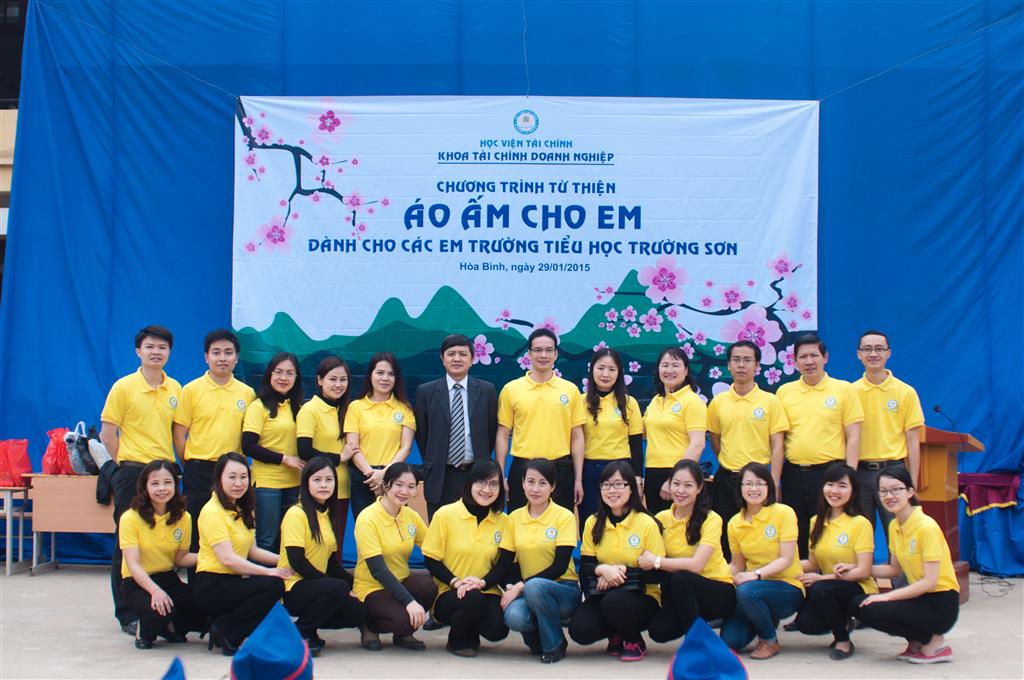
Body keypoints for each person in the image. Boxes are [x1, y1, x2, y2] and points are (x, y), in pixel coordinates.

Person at [100, 324, 181, 634]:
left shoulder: (175, 389)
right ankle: (126, 612)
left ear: (169, 352)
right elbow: (108, 434)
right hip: (133, 472)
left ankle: (163, 605)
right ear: (138, 351)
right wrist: (126, 464)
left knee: (163, 539)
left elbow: (177, 433)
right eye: (150, 346)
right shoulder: (123, 387)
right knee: (127, 542)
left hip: (166, 473)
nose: (156, 352)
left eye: (162, 347)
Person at [855, 467, 960, 664]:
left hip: (941, 603)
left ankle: (934, 642)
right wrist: (858, 569)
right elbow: (893, 570)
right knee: (858, 603)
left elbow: (929, 582)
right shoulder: (895, 525)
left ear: (910, 492)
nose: (889, 496)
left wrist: (886, 596)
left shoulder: (926, 527)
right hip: (919, 599)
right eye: (883, 491)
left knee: (874, 608)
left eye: (896, 489)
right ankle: (918, 641)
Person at [173, 329, 256, 577]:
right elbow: (179, 434)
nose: (222, 358)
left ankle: (231, 583)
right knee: (197, 531)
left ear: (236, 358)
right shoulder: (191, 390)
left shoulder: (246, 393)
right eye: (216, 352)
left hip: (233, 474)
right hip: (199, 470)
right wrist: (189, 466)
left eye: (228, 353)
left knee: (233, 527)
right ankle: (199, 588)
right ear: (206, 357)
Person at [193, 453, 292, 656]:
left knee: (278, 583)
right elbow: (227, 559)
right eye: (232, 477)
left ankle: (227, 628)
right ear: (219, 478)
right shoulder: (212, 512)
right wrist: (268, 572)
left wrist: (286, 561)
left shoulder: (243, 507)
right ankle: (226, 629)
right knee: (272, 585)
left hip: (233, 581)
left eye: (243, 477)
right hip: (212, 584)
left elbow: (253, 551)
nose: (238, 483)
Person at [777, 335, 864, 558]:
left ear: (825, 358)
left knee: (827, 530)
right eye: (803, 357)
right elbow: (779, 439)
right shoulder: (784, 392)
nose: (809, 361)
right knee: (795, 530)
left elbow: (854, 436)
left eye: (814, 355)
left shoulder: (844, 389)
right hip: (793, 474)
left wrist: (849, 476)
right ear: (794, 361)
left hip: (829, 474)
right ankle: (798, 576)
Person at [568, 461, 665, 662]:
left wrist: (620, 573)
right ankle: (616, 633)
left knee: (614, 602)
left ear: (631, 489)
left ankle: (634, 641)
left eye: (619, 484)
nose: (612, 490)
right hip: (603, 594)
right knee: (580, 630)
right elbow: (586, 567)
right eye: (606, 485)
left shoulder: (646, 523)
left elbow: (657, 574)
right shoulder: (593, 522)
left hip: (642, 597)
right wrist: (603, 570)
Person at [707, 340, 789, 559]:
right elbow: (715, 439)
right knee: (726, 537)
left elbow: (778, 444)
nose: (741, 365)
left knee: (761, 536)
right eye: (736, 360)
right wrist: (728, 460)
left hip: (759, 482)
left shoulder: (770, 401)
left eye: (747, 360)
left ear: (757, 366)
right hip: (726, 480)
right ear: (729, 365)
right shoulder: (718, 402)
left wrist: (773, 481)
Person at [422, 459, 511, 657]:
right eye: (481, 482)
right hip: (449, 591)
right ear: (470, 482)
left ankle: (469, 629)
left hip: (486, 589)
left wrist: (482, 582)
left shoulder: (504, 521)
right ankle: (457, 641)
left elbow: (504, 564)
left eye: (493, 484)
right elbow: (431, 559)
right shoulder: (445, 514)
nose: (486, 489)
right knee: (472, 599)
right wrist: (456, 582)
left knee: (497, 629)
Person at [641, 460, 736, 643]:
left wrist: (657, 561)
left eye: (688, 485)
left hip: (718, 590)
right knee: (658, 631)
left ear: (699, 488)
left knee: (681, 578)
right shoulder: (660, 519)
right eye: (676, 484)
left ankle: (696, 644)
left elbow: (696, 565)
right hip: (683, 594)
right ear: (669, 484)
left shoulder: (711, 519)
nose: (681, 490)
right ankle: (697, 625)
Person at [279, 456, 366, 656]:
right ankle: (300, 631)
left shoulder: (327, 514)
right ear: (306, 483)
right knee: (338, 588)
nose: (324, 485)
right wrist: (333, 584)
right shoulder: (296, 514)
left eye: (329, 480)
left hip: (317, 586)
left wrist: (356, 586)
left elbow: (332, 564)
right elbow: (297, 560)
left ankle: (310, 628)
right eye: (317, 480)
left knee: (358, 610)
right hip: (293, 587)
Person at [499, 459, 581, 663]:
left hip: (564, 589)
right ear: (522, 483)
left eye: (543, 483)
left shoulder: (564, 516)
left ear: (552, 487)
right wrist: (510, 587)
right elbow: (506, 563)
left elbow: (560, 566)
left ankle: (554, 644)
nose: (535, 489)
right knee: (514, 616)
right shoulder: (513, 518)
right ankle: (537, 640)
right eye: (531, 481)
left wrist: (521, 586)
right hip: (529, 590)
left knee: (535, 586)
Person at [720, 462, 805, 659]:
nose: (754, 489)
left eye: (760, 483)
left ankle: (769, 640)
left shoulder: (783, 513)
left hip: (787, 586)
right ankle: (765, 618)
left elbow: (786, 559)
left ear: (769, 487)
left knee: (746, 591)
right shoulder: (735, 523)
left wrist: (756, 575)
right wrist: (712, 574)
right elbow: (737, 565)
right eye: (748, 483)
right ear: (740, 488)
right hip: (753, 589)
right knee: (729, 641)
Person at [792, 463, 876, 660]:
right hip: (828, 587)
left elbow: (864, 571)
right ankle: (843, 621)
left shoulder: (860, 523)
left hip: (858, 587)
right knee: (806, 624)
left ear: (853, 491)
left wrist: (821, 578)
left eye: (842, 486)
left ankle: (843, 641)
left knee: (819, 588)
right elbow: (813, 564)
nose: (834, 491)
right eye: (830, 484)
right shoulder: (816, 521)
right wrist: (785, 564)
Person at [496, 328, 585, 512]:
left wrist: (578, 479)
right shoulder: (511, 389)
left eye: (548, 350)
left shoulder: (570, 390)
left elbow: (577, 436)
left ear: (556, 354)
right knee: (519, 524)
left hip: (561, 470)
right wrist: (499, 474)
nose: (543, 355)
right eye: (537, 350)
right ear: (529, 354)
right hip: (523, 470)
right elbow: (503, 434)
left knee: (560, 524)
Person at [352, 463, 436, 652]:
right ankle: (368, 625)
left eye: (411, 486)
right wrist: (410, 602)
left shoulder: (411, 516)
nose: (404, 491)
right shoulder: (367, 518)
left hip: (400, 581)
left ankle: (403, 635)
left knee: (429, 586)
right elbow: (378, 570)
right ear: (386, 484)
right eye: (399, 484)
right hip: (372, 587)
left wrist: (461, 578)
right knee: (405, 620)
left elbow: (433, 549)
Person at [119, 460, 203, 649]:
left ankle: (170, 627)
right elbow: (133, 565)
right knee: (161, 610)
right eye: (155, 483)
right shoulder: (130, 518)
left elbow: (180, 559)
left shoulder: (184, 517)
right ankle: (144, 631)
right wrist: (155, 591)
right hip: (137, 582)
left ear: (176, 484)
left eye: (167, 482)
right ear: (145, 487)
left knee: (203, 605)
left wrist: (211, 556)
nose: (162, 488)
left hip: (167, 578)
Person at [413, 334, 499, 520]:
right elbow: (423, 435)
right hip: (440, 476)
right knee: (441, 530)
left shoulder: (487, 391)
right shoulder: (426, 392)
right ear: (442, 359)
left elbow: (491, 431)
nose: (457, 358)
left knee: (477, 529)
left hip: (476, 475)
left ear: (472, 359)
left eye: (463, 354)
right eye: (451, 354)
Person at [853, 330, 925, 536]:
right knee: (860, 535)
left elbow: (913, 442)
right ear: (859, 354)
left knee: (900, 533)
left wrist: (911, 482)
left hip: (893, 472)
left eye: (879, 349)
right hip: (860, 473)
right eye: (867, 349)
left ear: (888, 353)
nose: (873, 354)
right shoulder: (850, 392)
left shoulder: (905, 392)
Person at [297, 356, 358, 562]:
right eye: (332, 379)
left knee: (336, 545)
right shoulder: (309, 410)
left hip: (341, 488)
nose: (338, 384)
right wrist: (339, 457)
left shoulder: (348, 410)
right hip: (316, 488)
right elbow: (304, 450)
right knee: (316, 543)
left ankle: (335, 579)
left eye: (343, 379)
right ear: (320, 380)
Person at [242, 352, 304, 551]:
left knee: (289, 540)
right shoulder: (258, 407)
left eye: (290, 373)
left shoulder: (300, 408)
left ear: (296, 378)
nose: (283, 378)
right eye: (279, 372)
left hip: (295, 483)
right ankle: (264, 573)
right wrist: (284, 459)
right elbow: (248, 446)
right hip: (267, 485)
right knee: (267, 540)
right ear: (269, 374)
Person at [344, 352, 416, 519]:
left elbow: (406, 447)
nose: (385, 378)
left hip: (394, 480)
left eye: (391, 374)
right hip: (363, 478)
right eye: (380, 373)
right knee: (365, 527)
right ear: (370, 375)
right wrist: (371, 475)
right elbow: (353, 447)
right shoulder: (356, 407)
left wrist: (384, 474)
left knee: (393, 527)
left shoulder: (405, 409)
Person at [579, 347, 643, 523]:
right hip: (589, 471)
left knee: (620, 521)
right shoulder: (579, 401)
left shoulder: (630, 403)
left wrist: (638, 479)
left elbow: (636, 445)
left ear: (619, 373)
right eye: (600, 368)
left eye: (612, 369)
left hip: (621, 471)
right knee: (590, 521)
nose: (605, 374)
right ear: (592, 369)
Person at [642, 347, 707, 514]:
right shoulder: (656, 401)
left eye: (675, 365)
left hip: (678, 476)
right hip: (652, 472)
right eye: (665, 365)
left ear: (686, 370)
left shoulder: (692, 401)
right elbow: (642, 432)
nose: (669, 370)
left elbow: (698, 444)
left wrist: (675, 480)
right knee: (656, 525)